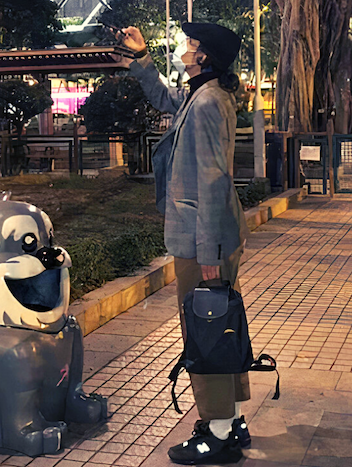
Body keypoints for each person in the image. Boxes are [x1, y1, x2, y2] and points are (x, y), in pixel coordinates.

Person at [118, 23, 251, 465]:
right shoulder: (202, 94)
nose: (184, 48)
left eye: (191, 44)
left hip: (202, 238)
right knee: (221, 326)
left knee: (206, 332)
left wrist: (208, 254)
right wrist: (142, 57)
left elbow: (214, 180)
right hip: (207, 234)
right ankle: (232, 420)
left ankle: (218, 433)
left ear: (204, 56)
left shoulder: (209, 101)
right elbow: (164, 98)